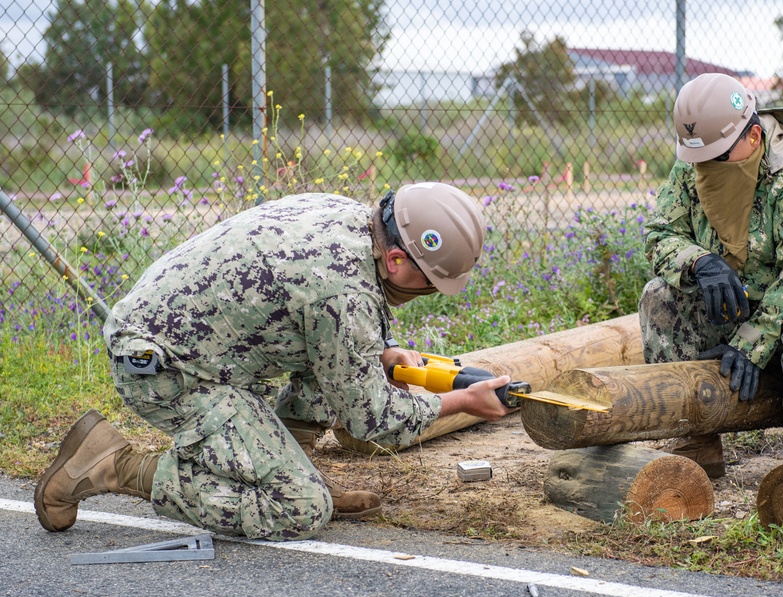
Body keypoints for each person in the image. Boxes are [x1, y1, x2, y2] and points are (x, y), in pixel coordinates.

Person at [34, 183, 511, 541]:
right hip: (166, 371)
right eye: (429, 283)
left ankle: (290, 462)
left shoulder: (347, 216)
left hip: (189, 343)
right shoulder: (342, 291)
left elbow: (315, 320)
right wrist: (463, 401)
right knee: (300, 509)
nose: (426, 293)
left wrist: (378, 352)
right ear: (394, 261)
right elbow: (372, 419)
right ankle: (113, 465)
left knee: (342, 367)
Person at [640, 73, 783, 478]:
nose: (706, 166)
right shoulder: (693, 163)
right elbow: (660, 234)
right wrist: (699, 262)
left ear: (752, 137)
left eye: (717, 155)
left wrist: (752, 342)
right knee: (659, 296)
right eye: (700, 158)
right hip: (738, 304)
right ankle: (692, 438)